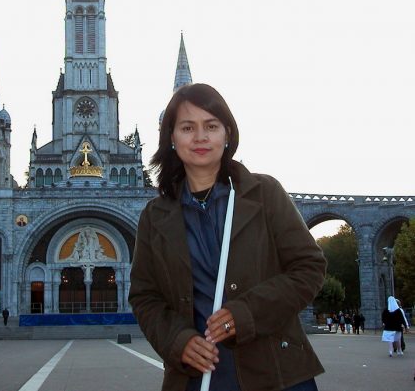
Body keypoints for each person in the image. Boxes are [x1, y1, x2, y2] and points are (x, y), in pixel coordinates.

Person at [128, 83, 326, 391]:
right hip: (197, 373)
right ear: (171, 137)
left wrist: (246, 313)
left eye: (211, 126)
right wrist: (177, 341)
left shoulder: (264, 193)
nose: (200, 137)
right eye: (187, 127)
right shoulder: (155, 216)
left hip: (277, 372)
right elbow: (145, 297)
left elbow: (309, 268)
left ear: (227, 133)